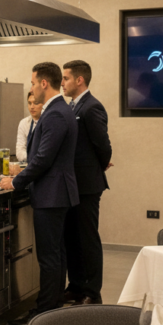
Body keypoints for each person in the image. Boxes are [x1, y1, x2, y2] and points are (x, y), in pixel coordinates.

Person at [0, 62, 78, 325]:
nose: (32, 88)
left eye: (33, 83)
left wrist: (16, 182)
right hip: (57, 192)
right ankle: (53, 306)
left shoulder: (55, 113)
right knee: (57, 253)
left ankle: (43, 313)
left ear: (44, 83)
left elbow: (43, 159)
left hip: (52, 194)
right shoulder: (59, 109)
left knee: (49, 256)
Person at [60, 60, 113, 305]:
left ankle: (93, 292)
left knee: (88, 238)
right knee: (72, 237)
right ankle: (77, 286)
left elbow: (103, 146)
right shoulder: (73, 106)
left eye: (66, 78)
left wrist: (100, 165)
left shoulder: (92, 107)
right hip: (72, 184)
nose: (62, 83)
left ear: (79, 80)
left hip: (88, 185)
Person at [13, 90, 43, 165]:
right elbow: (19, 151)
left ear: (43, 104)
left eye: (35, 103)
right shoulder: (24, 123)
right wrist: (33, 158)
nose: (32, 107)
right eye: (29, 103)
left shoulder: (47, 122)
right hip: (27, 166)